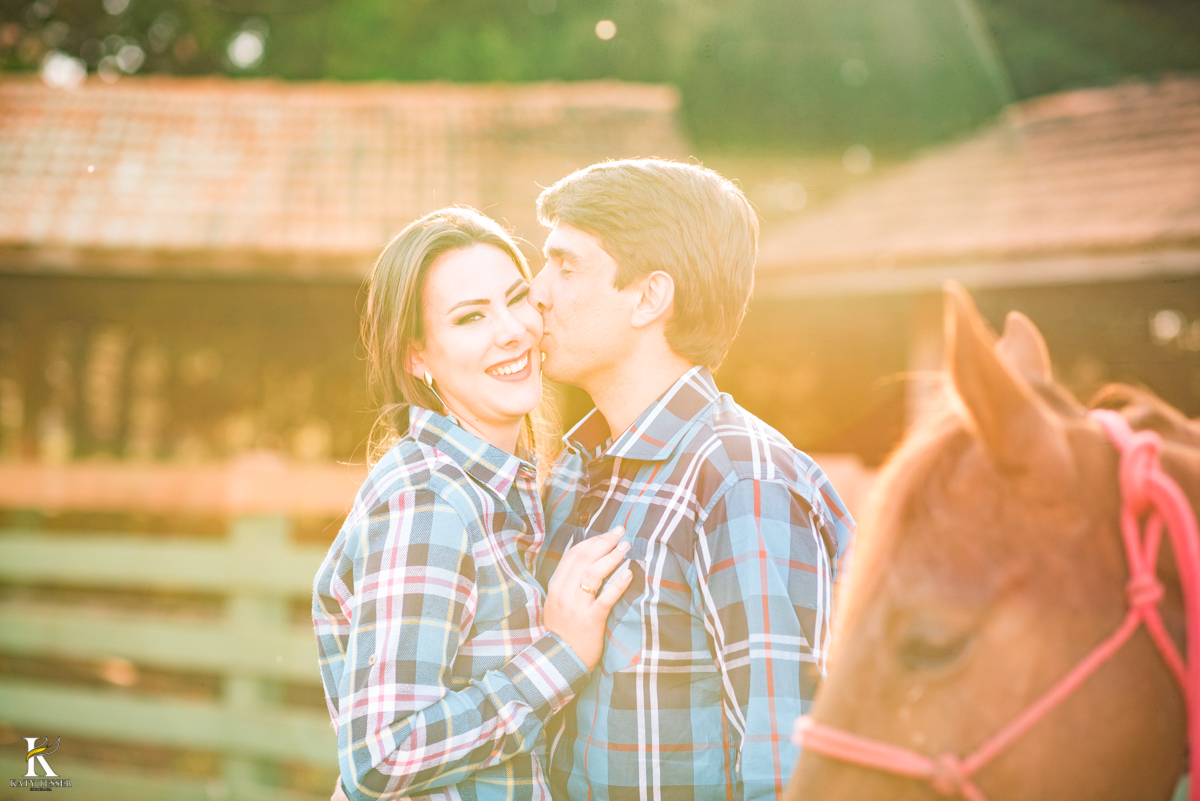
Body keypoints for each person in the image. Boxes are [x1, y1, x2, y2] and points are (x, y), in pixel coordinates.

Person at [528, 159, 855, 801]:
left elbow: (786, 770)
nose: (537, 291)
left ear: (650, 297)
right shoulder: (573, 471)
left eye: (566, 267)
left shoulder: (740, 480)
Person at [313, 207, 634, 801]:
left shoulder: (503, 490)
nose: (511, 330)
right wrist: (558, 658)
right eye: (469, 318)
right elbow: (381, 754)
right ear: (417, 357)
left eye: (517, 299)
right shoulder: (430, 503)